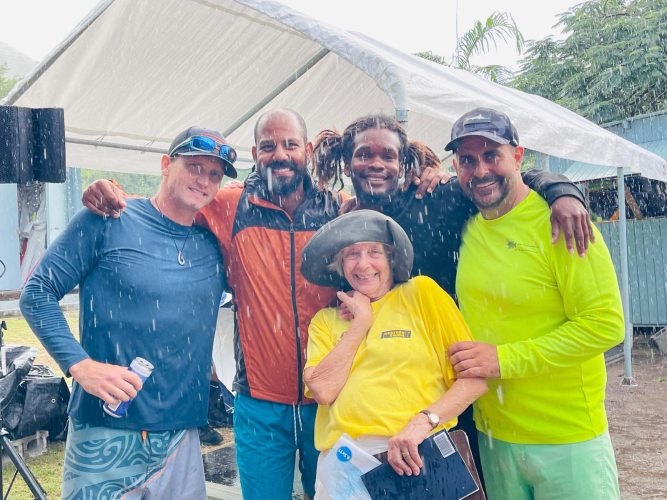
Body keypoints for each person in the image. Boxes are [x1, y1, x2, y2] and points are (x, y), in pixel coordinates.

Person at [79, 108, 446, 500]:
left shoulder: (339, 210)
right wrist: (110, 190)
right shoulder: (229, 205)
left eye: (290, 145)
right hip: (259, 403)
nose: (280, 154)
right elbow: (165, 203)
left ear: (307, 150)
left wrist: (434, 175)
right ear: (255, 153)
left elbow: (387, 217)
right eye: (269, 146)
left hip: (330, 400)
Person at [311, 114, 593, 481]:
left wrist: (561, 191)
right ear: (348, 163)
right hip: (379, 397)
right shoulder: (343, 224)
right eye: (365, 154)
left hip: (451, 378)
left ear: (404, 163)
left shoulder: (435, 199)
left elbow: (504, 178)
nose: (376, 164)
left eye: (388, 155)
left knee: (467, 479)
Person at [20, 127, 234, 499]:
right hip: (105, 431)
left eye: (214, 174)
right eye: (195, 166)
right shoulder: (107, 218)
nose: (204, 180)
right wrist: (80, 365)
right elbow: (37, 293)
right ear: (165, 164)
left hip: (181, 437)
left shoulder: (214, 245)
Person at [446, 107, 624, 499]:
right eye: (468, 160)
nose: (480, 170)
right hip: (495, 439)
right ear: (456, 167)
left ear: (518, 156)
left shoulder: (563, 223)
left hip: (566, 439)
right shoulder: (467, 226)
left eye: (491, 155)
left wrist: (503, 360)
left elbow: (605, 325)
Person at [301, 209, 487, 498]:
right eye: (352, 254)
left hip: (418, 452)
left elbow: (474, 380)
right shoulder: (325, 320)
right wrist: (361, 322)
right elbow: (323, 390)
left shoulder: (421, 293)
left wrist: (423, 422)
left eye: (374, 252)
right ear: (340, 266)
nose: (363, 264)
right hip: (345, 466)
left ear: (391, 258)